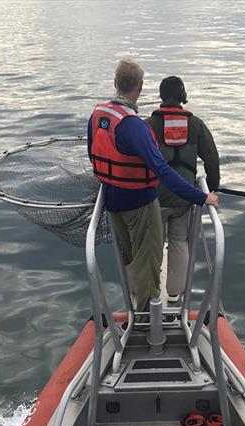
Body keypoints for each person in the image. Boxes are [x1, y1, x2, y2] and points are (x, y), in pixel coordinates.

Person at [87, 59, 218, 317]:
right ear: (141, 86)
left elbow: (94, 154)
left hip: (116, 201)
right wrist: (205, 194)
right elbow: (196, 163)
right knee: (173, 244)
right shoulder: (139, 125)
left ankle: (135, 296)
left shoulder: (101, 116)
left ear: (115, 83)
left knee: (136, 253)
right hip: (150, 201)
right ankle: (162, 305)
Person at [145, 76, 220, 303]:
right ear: (182, 96)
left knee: (152, 244)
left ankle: (150, 293)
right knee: (179, 240)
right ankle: (176, 293)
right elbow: (211, 159)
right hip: (185, 196)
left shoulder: (148, 125)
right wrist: (211, 188)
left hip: (155, 197)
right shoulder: (196, 124)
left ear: (161, 96)